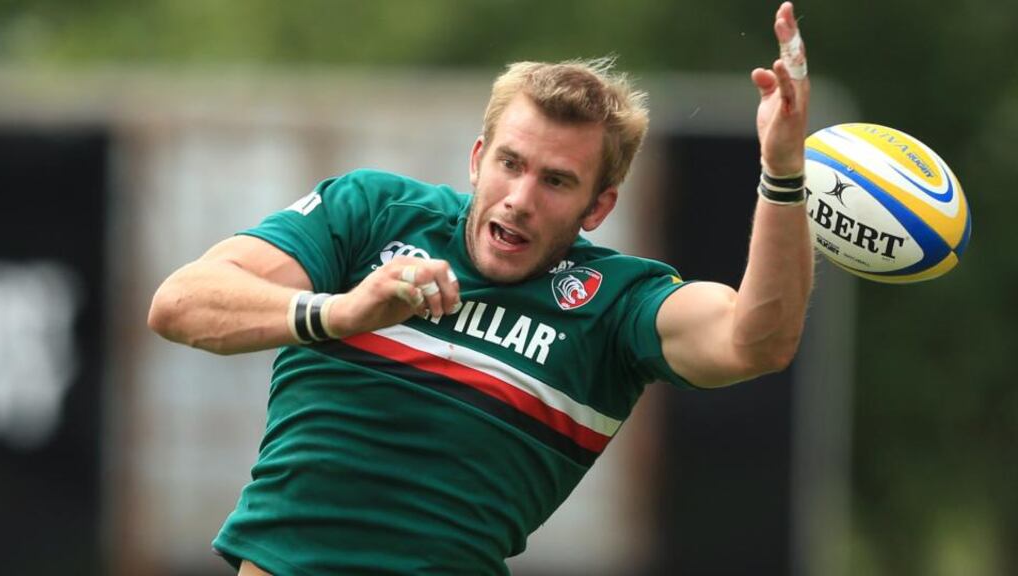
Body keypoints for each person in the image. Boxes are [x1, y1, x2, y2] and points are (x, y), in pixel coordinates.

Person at [147, 3, 812, 574]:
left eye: (556, 181)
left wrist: (783, 173)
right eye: (510, 164)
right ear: (477, 159)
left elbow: (756, 340)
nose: (520, 199)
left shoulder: (615, 303)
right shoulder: (372, 213)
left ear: (599, 206)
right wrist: (343, 311)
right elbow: (181, 303)